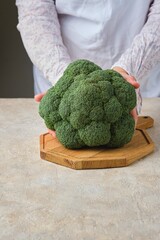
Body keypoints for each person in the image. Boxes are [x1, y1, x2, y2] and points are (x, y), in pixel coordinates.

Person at [16, 0, 160, 130]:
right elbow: (34, 13)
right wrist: (65, 79)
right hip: (58, 69)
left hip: (141, 74)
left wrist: (128, 69)